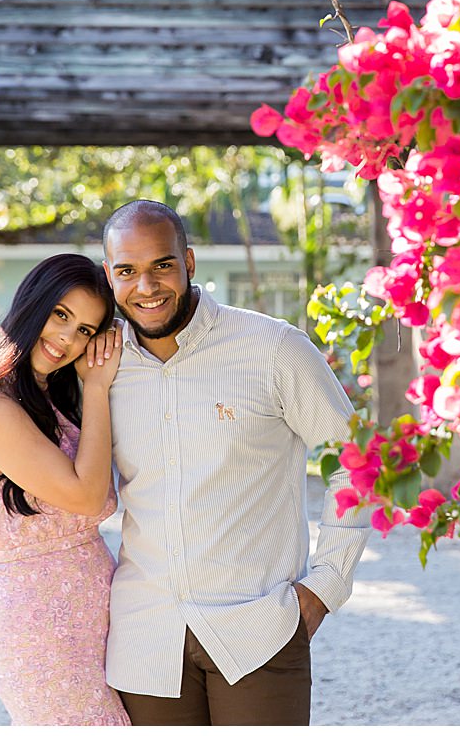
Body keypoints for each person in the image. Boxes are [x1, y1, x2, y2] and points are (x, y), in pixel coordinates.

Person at [99, 199, 370, 725]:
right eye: (127, 271)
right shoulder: (101, 367)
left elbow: (357, 460)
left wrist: (326, 585)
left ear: (190, 262)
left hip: (258, 630)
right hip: (146, 636)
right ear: (109, 276)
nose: (147, 286)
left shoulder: (273, 349)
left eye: (162, 265)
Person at [0, 253, 130, 726]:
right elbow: (90, 497)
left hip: (89, 617)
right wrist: (98, 388)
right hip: (46, 634)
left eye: (85, 330)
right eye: (61, 315)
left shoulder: (51, 399)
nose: (67, 339)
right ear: (32, 303)